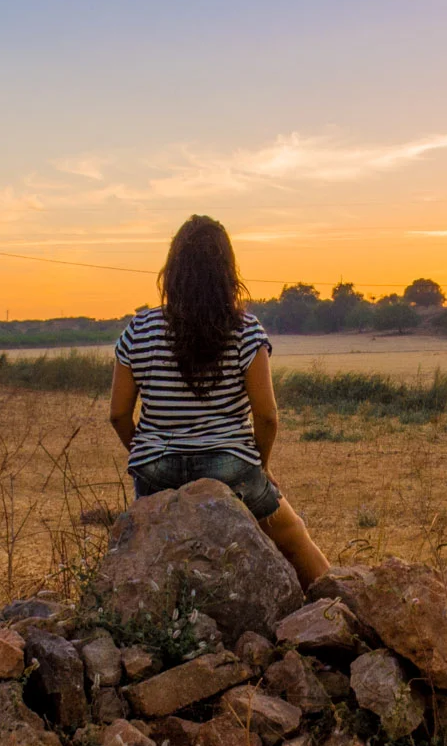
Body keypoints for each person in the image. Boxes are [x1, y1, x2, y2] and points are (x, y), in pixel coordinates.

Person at [109, 215, 330, 586]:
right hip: (228, 467)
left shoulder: (139, 329)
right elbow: (267, 416)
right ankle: (340, 610)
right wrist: (258, 465)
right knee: (294, 538)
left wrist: (146, 452)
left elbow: (118, 414)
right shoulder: (246, 330)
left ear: (173, 270)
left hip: (155, 470)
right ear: (228, 271)